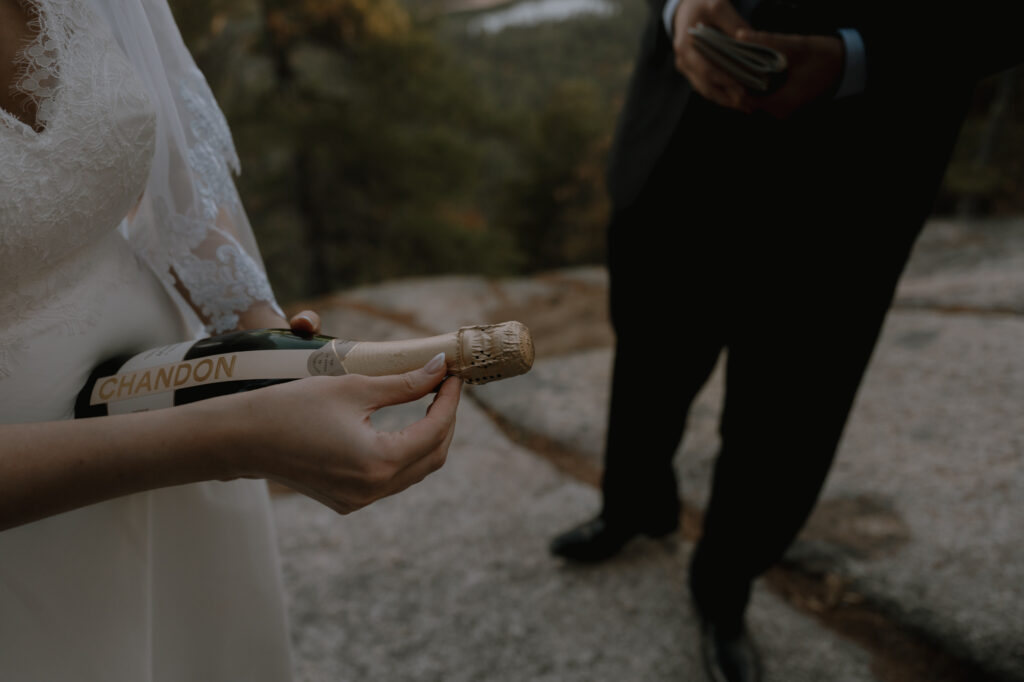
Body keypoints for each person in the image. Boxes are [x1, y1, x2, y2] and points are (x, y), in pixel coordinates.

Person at [549, 1, 1024, 680]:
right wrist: (680, 11)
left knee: (788, 413)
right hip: (678, 140)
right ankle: (633, 506)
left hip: (856, 171)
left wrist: (856, 58)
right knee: (649, 358)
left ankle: (723, 588)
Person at [0, 0, 460, 679]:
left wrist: (261, 341)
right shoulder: (225, 437)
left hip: (183, 407)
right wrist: (234, 437)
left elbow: (176, 180)